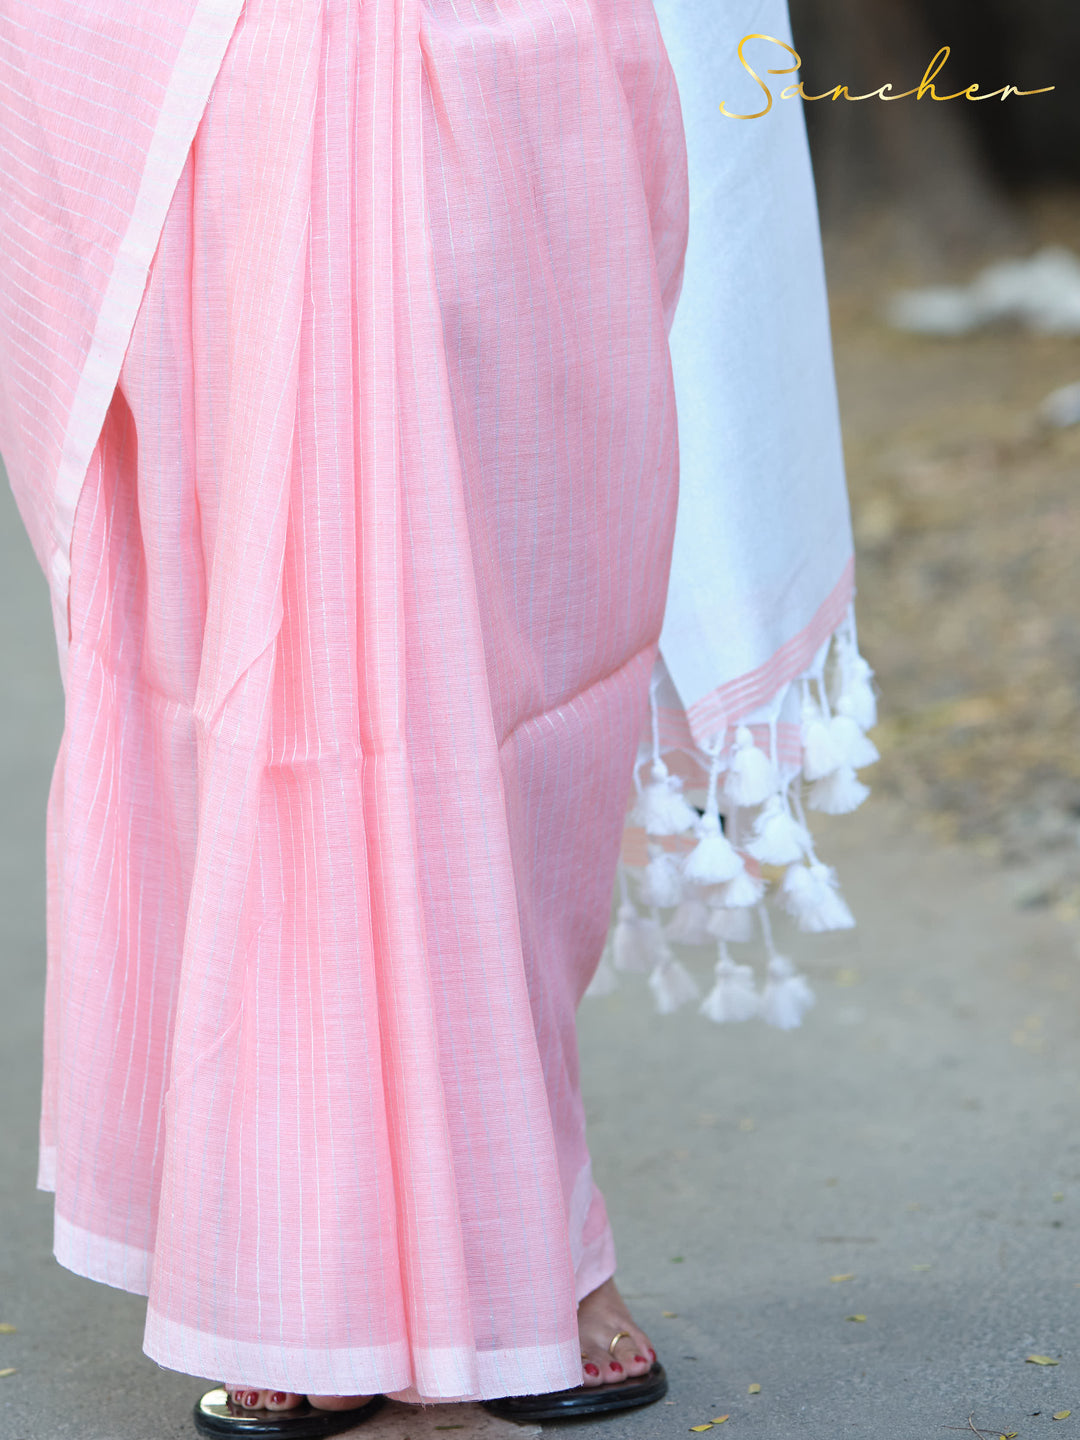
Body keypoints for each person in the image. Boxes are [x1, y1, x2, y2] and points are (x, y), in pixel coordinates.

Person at [0, 0, 872, 1433]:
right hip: (228, 69)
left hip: (512, 60)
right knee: (267, 665)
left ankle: (534, 1240)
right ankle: (296, 1269)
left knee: (508, 659)